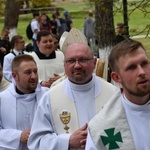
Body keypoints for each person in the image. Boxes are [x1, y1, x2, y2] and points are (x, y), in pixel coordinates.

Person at [28, 42, 117, 150]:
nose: (77, 65)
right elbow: (36, 142)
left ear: (94, 62)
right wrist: (67, 141)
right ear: (64, 65)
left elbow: (125, 132)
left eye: (83, 60)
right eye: (71, 61)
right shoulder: (50, 98)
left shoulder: (113, 94)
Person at [85, 39, 150, 150]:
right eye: (131, 67)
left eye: (144, 64)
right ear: (116, 77)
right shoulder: (101, 128)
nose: (141, 72)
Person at [0, 54, 49, 150]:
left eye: (35, 71)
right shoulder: (2, 99)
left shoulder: (47, 95)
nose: (34, 76)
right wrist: (18, 136)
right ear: (15, 76)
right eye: (28, 72)